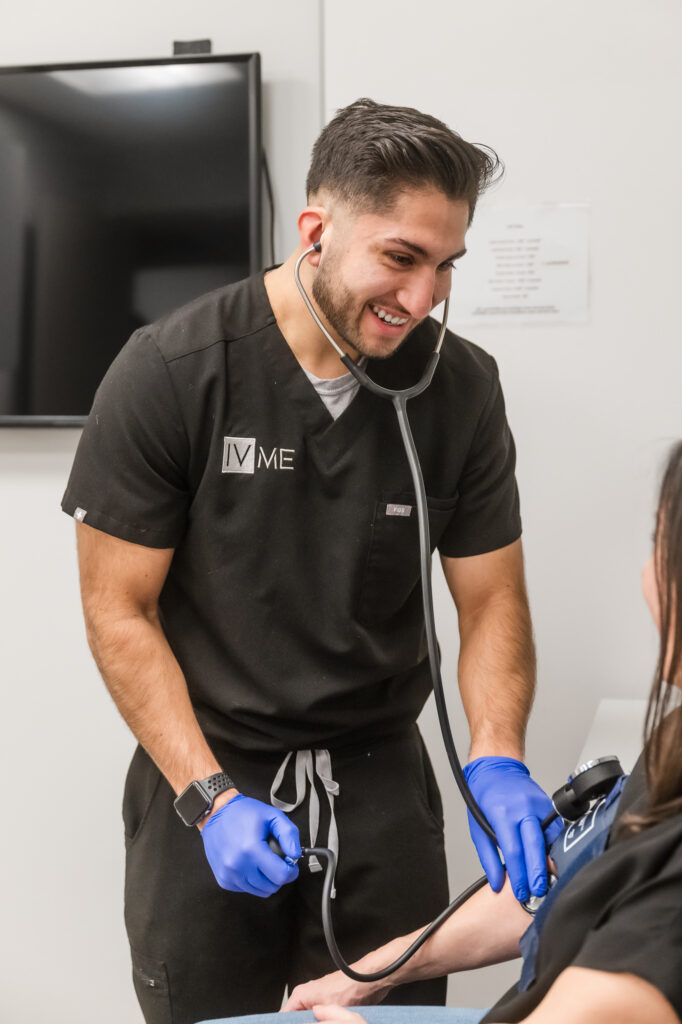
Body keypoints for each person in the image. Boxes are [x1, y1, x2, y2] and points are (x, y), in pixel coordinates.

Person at [62, 98, 557, 1024]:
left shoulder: (459, 387)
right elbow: (115, 610)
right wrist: (208, 798)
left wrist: (496, 758)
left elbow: (491, 602)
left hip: (380, 789)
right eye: (400, 258)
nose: (422, 299)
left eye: (445, 266)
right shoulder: (172, 372)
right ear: (316, 231)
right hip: (213, 784)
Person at [239, 440, 682, 1024]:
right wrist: (369, 975)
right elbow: (555, 881)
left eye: (660, 541)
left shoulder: (650, 945)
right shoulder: (672, 745)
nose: (647, 573)